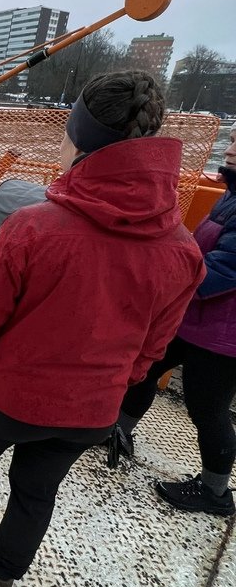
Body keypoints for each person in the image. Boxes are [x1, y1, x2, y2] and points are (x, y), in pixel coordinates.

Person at [0, 70, 205, 587]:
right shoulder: (183, 253)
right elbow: (152, 349)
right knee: (35, 492)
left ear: (84, 142)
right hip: (88, 413)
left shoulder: (31, 228)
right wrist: (113, 386)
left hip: (5, 396)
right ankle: (2, 577)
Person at [117, 124, 236, 518]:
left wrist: (166, 270)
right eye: (232, 140)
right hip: (192, 320)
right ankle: (118, 431)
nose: (231, 149)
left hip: (222, 336)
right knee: (145, 370)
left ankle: (216, 492)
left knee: (208, 409)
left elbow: (222, 270)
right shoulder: (230, 198)